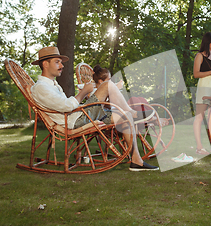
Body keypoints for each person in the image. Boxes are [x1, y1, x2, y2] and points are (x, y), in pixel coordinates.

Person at [30, 46, 158, 171]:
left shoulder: (52, 85)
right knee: (107, 85)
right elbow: (67, 106)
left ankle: (136, 161)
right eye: (57, 62)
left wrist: (85, 95)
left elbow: (65, 105)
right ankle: (134, 113)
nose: (62, 65)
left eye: (60, 62)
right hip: (76, 120)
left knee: (125, 116)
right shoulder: (41, 87)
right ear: (45, 64)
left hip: (80, 115)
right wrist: (84, 92)